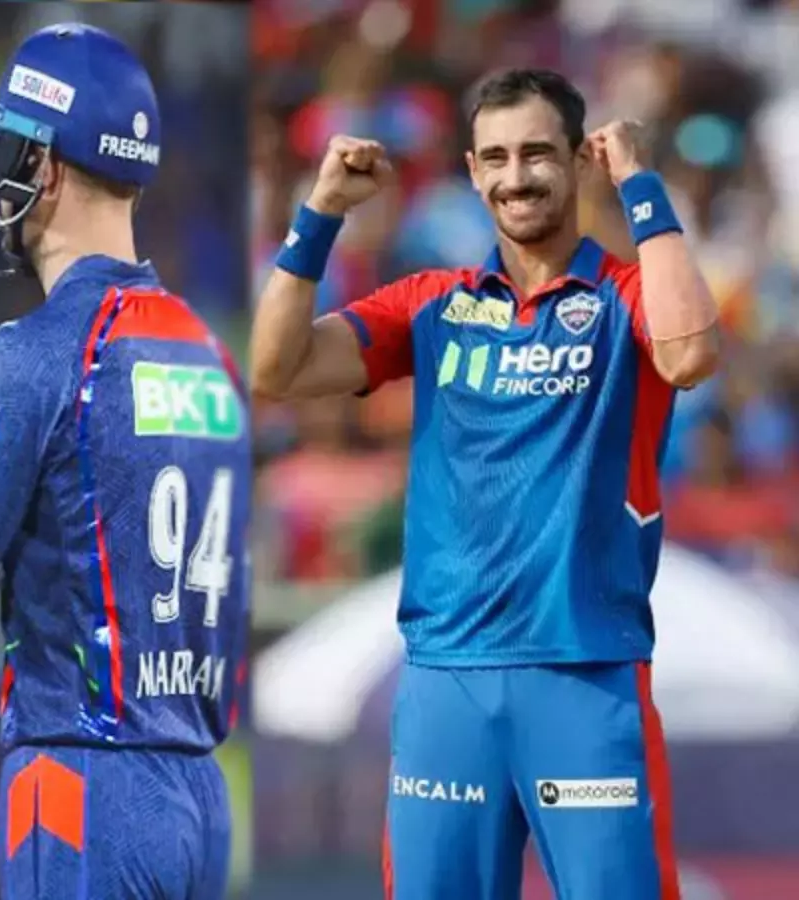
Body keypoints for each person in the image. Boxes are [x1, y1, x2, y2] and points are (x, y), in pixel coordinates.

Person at [250, 68, 721, 899]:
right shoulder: (435, 304)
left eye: (537, 153)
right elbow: (276, 368)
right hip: (446, 682)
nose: (516, 176)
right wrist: (318, 214)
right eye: (495, 158)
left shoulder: (625, 297)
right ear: (471, 171)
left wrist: (640, 183)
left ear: (579, 160)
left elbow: (689, 353)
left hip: (586, 674)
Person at [0, 23, 249, 900]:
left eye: (8, 153)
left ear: (47, 167)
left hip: (83, 781)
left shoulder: (36, 351)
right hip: (202, 796)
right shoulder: (205, 351)